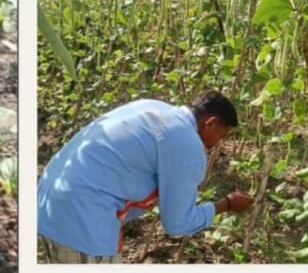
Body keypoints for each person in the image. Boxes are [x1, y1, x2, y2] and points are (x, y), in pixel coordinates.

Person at [38, 90, 254, 262]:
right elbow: (178, 223)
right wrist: (226, 204)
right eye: (222, 135)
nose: (218, 143)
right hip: (81, 219)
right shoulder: (188, 145)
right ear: (210, 123)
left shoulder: (152, 106)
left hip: (49, 196)